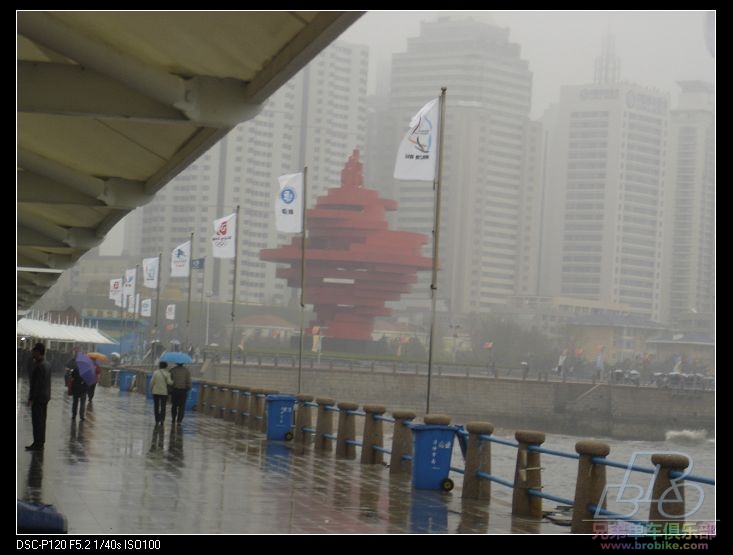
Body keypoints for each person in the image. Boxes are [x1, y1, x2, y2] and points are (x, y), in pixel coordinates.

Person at [26, 343, 51, 451]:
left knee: (37, 421)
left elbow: (37, 384)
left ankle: (37, 443)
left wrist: (31, 398)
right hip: (44, 397)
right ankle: (40, 442)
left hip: (39, 398)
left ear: (38, 352)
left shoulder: (40, 365)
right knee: (41, 420)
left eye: (33, 351)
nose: (32, 353)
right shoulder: (47, 364)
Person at [150, 361, 172, 426]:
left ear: (159, 366)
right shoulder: (167, 373)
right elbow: (169, 382)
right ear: (166, 366)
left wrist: (151, 389)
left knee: (156, 406)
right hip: (164, 392)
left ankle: (157, 419)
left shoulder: (155, 373)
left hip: (155, 392)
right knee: (163, 406)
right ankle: (162, 420)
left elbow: (152, 382)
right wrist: (173, 382)